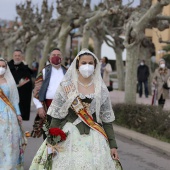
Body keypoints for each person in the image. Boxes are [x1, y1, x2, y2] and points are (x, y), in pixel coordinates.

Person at [30, 48, 119, 170]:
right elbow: (56, 116)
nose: (87, 66)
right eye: (84, 63)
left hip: (95, 137)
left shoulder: (101, 88)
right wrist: (51, 141)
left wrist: (113, 145)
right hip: (69, 134)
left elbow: (107, 119)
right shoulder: (66, 86)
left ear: (95, 65)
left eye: (90, 63)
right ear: (77, 65)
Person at [32, 48, 67, 139]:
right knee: (48, 135)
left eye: (58, 55)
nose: (56, 57)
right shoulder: (44, 71)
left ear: (62, 58)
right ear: (49, 58)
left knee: (62, 134)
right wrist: (39, 107)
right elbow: (36, 91)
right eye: (53, 55)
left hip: (64, 108)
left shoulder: (67, 72)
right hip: (47, 107)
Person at [0, 58, 26, 169]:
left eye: (3, 66)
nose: (1, 68)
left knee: (9, 140)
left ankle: (8, 164)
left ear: (6, 68)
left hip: (9, 115)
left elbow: (14, 100)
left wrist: (19, 114)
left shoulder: (10, 82)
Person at [8, 49, 33, 121]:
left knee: (20, 118)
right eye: (15, 55)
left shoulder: (25, 68)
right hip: (10, 96)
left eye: (19, 56)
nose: (17, 57)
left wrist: (24, 84)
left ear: (22, 57)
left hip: (22, 97)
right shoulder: (7, 67)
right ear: (13, 56)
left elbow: (29, 83)